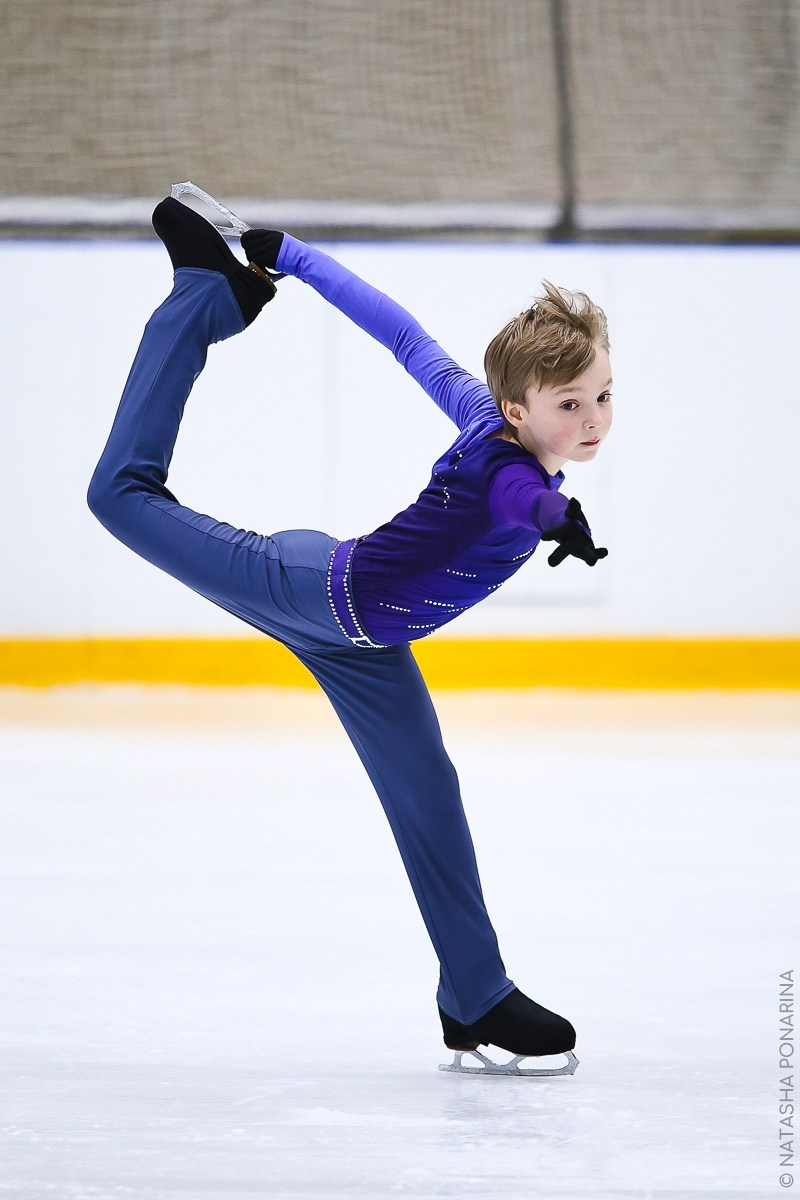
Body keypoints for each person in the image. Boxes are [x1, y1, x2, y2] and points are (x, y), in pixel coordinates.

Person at [88, 197, 611, 1071]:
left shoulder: (486, 416)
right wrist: (556, 515)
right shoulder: (502, 465)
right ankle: (198, 299)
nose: (593, 417)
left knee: (428, 793)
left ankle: (474, 995)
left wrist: (292, 253)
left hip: (364, 643)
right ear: (517, 410)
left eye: (601, 396)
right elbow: (518, 498)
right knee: (120, 497)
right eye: (571, 403)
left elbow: (404, 336)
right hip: (307, 591)